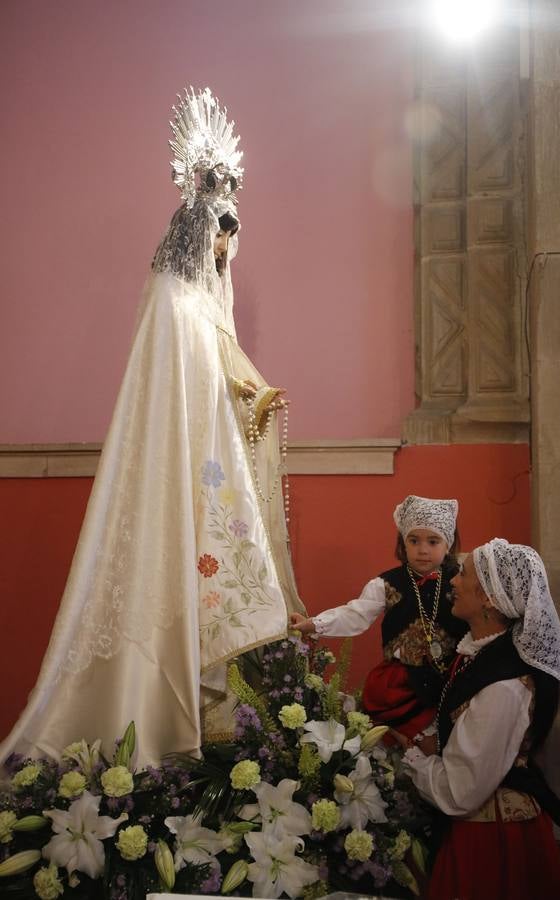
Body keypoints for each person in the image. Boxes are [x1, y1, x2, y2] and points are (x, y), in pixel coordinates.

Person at [1, 87, 304, 768]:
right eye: (225, 234)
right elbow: (191, 389)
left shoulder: (205, 307)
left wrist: (256, 400)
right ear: (203, 232)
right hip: (188, 467)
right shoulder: (176, 304)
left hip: (205, 464)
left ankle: (210, 719)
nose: (230, 249)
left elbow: (227, 376)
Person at [401, 538, 560, 900]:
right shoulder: (480, 654)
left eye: (463, 574)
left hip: (494, 842)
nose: (452, 580)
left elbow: (460, 792)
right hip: (480, 828)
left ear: (489, 598)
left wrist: (416, 760)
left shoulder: (505, 685)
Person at [290, 495, 467, 739]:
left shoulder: (462, 580)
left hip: (452, 677)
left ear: (448, 545)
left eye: (433, 541)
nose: (423, 549)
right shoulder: (386, 584)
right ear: (403, 544)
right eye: (414, 541)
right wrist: (315, 624)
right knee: (401, 743)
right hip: (400, 684)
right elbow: (355, 613)